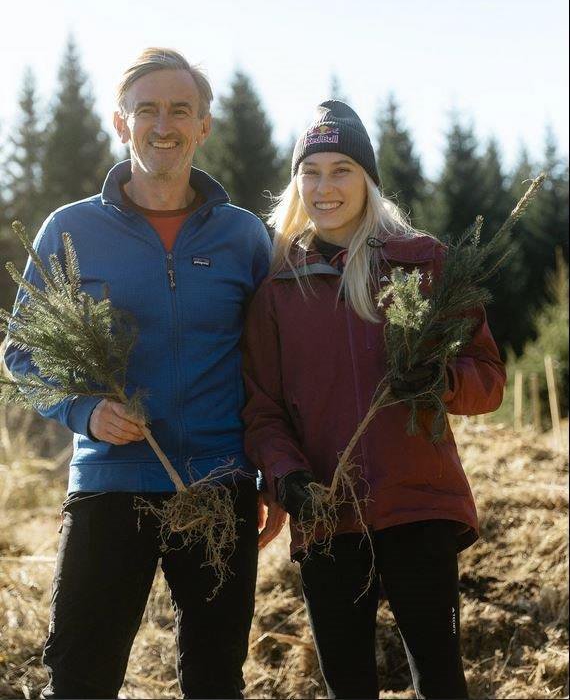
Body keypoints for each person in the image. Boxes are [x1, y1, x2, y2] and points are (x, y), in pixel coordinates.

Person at [4, 48, 286, 700]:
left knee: (216, 681)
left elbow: (271, 367)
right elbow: (21, 352)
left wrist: (272, 470)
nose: (165, 124)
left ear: (204, 125)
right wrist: (85, 411)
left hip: (219, 486)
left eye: (180, 109)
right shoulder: (70, 230)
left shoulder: (244, 237)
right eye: (148, 109)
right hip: (110, 483)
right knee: (78, 679)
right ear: (119, 122)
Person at [242, 100, 506, 699]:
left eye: (342, 170)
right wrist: (287, 479)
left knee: (440, 679)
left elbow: (488, 378)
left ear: (368, 180)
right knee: (348, 685)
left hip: (417, 501)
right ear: (295, 182)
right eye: (312, 170)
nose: (325, 186)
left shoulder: (423, 263)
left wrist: (438, 382)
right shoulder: (278, 285)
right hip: (327, 511)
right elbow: (261, 408)